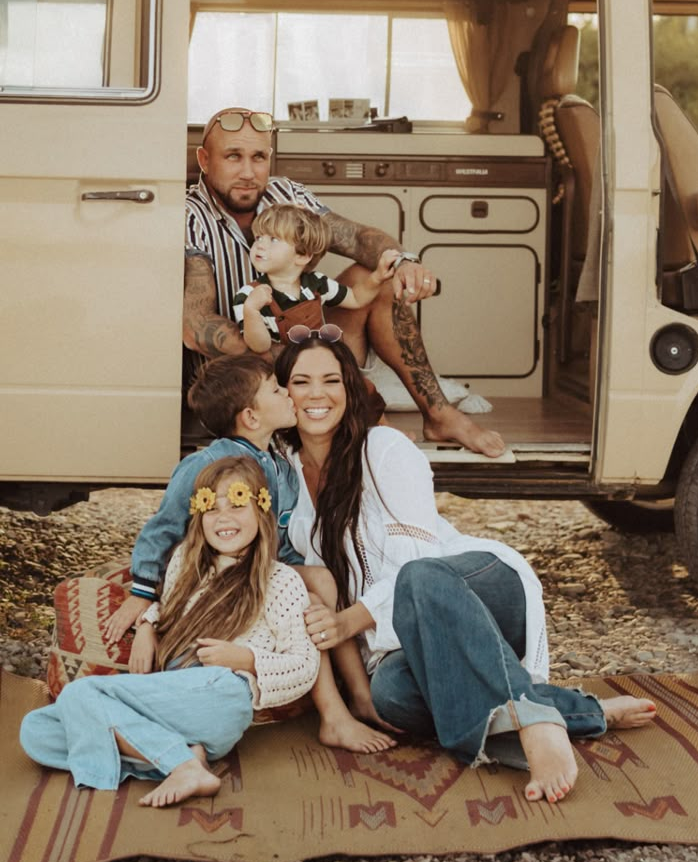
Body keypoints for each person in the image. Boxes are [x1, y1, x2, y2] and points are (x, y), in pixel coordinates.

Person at [274, 335, 658, 804]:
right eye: (301, 381)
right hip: (405, 634)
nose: (317, 394)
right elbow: (324, 594)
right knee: (392, 695)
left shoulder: (384, 448)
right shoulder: (286, 474)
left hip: (477, 586)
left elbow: (419, 563)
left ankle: (534, 724)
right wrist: (359, 693)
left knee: (422, 578)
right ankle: (580, 711)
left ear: (350, 389)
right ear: (283, 395)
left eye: (331, 380)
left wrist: (349, 620)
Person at [103, 351, 394, 754]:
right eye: (277, 390)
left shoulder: (279, 463)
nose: (289, 395)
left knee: (322, 580)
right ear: (252, 417)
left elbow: (283, 539)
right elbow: (163, 528)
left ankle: (359, 690)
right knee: (306, 596)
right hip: (220, 568)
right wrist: (143, 593)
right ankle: (334, 715)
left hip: (262, 565)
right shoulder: (207, 464)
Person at [183, 106, 505, 458]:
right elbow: (195, 322)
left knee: (375, 278)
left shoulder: (286, 195)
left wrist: (402, 262)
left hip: (303, 344)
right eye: (233, 157)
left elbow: (358, 238)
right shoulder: (189, 215)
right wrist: (290, 352)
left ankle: (439, 415)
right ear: (204, 159)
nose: (248, 172)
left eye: (258, 157)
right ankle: (359, 427)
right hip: (242, 373)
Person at [20, 455, 320, 808]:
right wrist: (148, 623)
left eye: (237, 504)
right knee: (36, 732)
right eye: (212, 508)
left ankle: (176, 763)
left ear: (261, 512)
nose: (223, 517)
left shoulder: (280, 581)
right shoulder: (184, 562)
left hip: (222, 693)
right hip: (170, 706)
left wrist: (247, 659)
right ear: (199, 516)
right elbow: (170, 605)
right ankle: (183, 758)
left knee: (78, 697)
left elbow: (305, 664)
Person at [233, 203, 400, 352]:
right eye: (258, 237)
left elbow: (356, 298)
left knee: (361, 386)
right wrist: (251, 311)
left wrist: (377, 277)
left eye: (274, 239)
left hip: (319, 361)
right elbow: (260, 346)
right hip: (280, 372)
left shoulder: (317, 283)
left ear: (302, 256)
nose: (260, 245)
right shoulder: (249, 295)